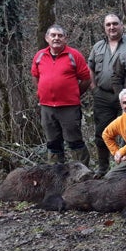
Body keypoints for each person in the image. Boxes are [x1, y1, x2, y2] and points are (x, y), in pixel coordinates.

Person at [31, 24, 91, 165]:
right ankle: (56, 175)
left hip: (69, 107)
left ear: (65, 39)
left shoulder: (74, 55)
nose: (56, 38)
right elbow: (35, 75)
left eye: (60, 35)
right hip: (47, 107)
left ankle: (82, 173)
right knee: (53, 143)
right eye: (53, 35)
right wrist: (40, 91)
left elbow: (86, 79)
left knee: (74, 141)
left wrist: (74, 93)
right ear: (47, 38)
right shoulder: (39, 56)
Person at [88, 13, 126, 177]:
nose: (112, 27)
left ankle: (124, 168)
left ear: (122, 25)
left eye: (115, 24)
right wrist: (94, 88)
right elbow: (90, 68)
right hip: (103, 96)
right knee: (102, 132)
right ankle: (103, 168)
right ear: (104, 27)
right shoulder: (98, 47)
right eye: (108, 25)